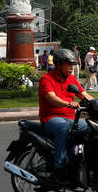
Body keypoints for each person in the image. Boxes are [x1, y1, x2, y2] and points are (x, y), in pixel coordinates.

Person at [37, 47, 88, 183]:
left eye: (73, 65)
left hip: (72, 119)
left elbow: (84, 95)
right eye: (69, 65)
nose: (72, 68)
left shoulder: (71, 79)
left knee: (91, 127)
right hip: (51, 119)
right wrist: (68, 104)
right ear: (58, 64)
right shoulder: (46, 79)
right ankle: (58, 169)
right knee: (63, 127)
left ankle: (79, 163)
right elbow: (51, 98)